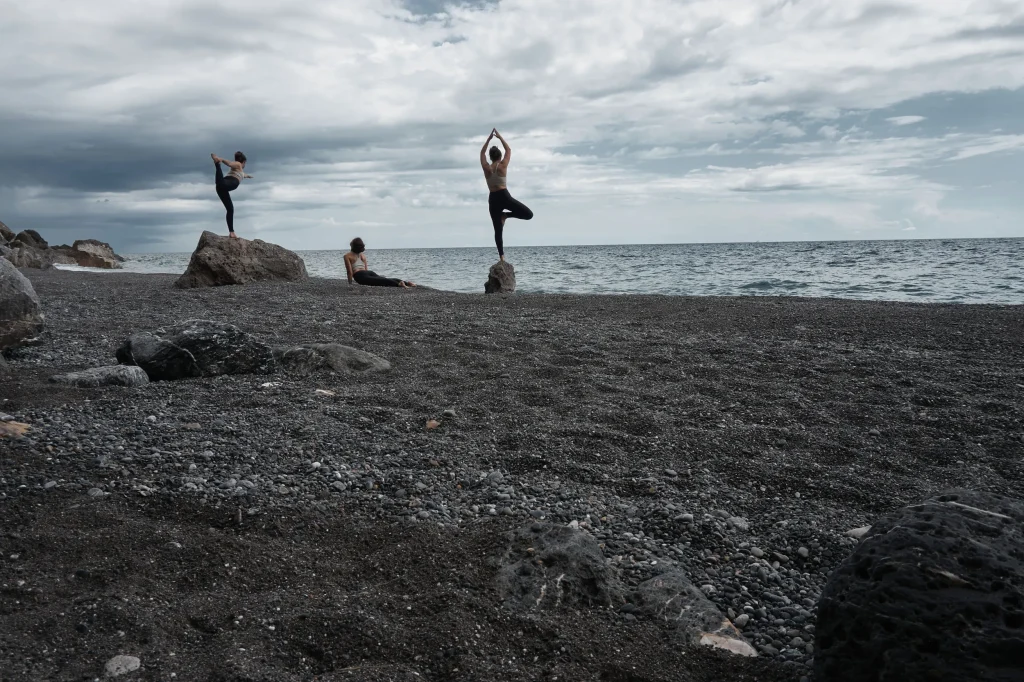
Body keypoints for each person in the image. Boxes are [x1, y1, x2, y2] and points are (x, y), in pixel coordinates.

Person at [481, 128, 533, 261]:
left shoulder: (486, 168)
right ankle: (507, 215)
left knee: (498, 229)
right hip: (504, 196)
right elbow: (508, 150)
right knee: (528, 214)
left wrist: (488, 139)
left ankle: (501, 257)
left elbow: (481, 152)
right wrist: (499, 137)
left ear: (491, 157)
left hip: (493, 199)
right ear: (499, 156)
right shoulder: (503, 165)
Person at [344, 238, 416, 288]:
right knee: (382, 279)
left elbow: (349, 272)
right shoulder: (363, 255)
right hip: (369, 272)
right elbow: (366, 269)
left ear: (352, 246)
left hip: (359, 275)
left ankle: (399, 284)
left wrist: (350, 283)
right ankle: (407, 283)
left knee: (381, 281)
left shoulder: (347, 256)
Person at [211, 152, 251, 238]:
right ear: (243, 162)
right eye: (245, 163)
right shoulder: (238, 164)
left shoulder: (239, 170)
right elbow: (230, 163)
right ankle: (217, 163)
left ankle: (231, 232)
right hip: (229, 182)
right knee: (221, 184)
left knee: (230, 209)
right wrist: (221, 159)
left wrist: (248, 176)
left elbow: (243, 174)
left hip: (221, 187)